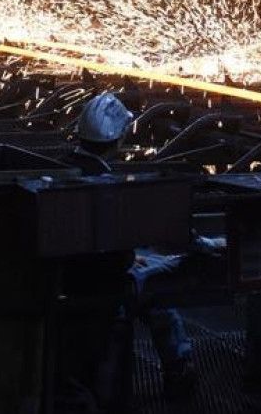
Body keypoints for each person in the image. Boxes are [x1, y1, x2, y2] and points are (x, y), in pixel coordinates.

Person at [61, 92, 198, 402]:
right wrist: (128, 259)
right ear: (118, 139)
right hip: (100, 287)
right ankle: (179, 371)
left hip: (64, 280)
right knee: (160, 290)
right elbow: (115, 258)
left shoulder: (61, 167)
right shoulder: (107, 186)